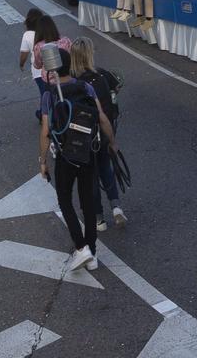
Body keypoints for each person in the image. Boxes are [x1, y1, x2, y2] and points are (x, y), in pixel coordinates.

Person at [38, 48, 117, 274]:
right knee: (88, 201)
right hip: (88, 153)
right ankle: (91, 252)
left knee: (64, 199)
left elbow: (45, 131)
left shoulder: (49, 95)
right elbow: (101, 118)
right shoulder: (85, 87)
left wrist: (42, 161)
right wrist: (112, 142)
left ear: (52, 69)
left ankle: (80, 247)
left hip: (65, 156)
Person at [68, 39, 127, 228]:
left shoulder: (71, 82)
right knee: (106, 168)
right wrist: (113, 140)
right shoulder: (101, 75)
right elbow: (117, 85)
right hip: (103, 133)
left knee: (90, 178)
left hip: (82, 138)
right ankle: (116, 207)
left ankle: (99, 218)